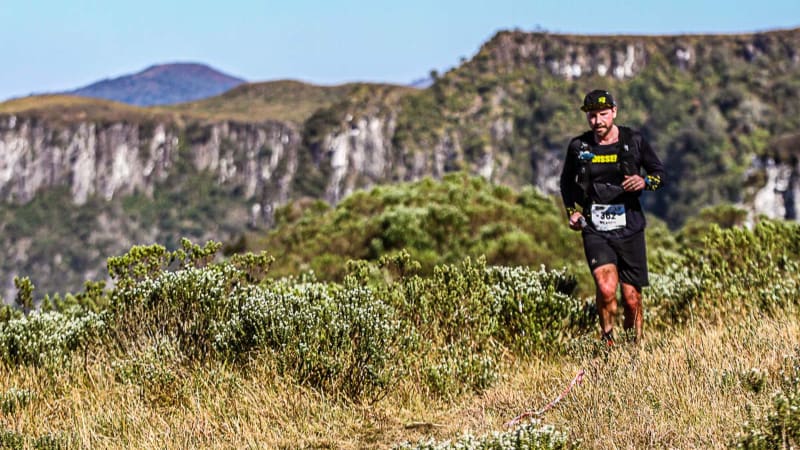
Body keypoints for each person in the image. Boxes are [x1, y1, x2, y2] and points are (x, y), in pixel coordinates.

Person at [559, 89, 665, 345]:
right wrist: (572, 212)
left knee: (631, 299)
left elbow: (659, 174)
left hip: (630, 228)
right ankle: (607, 344)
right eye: (592, 116)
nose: (598, 121)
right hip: (596, 228)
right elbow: (565, 183)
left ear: (614, 112)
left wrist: (644, 181)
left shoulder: (634, 141)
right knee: (606, 289)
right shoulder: (579, 147)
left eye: (603, 115)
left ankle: (633, 350)